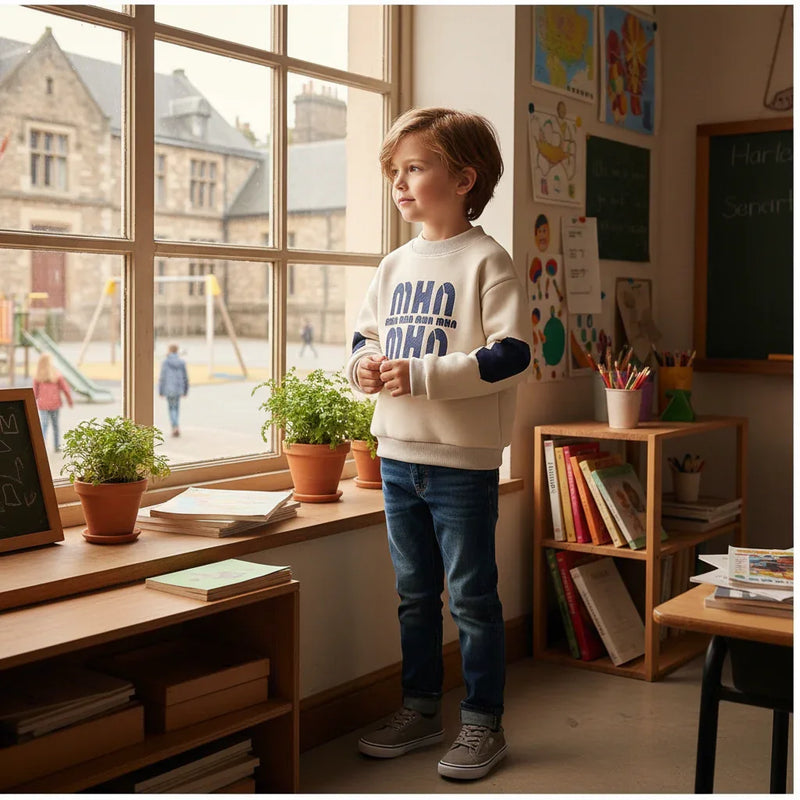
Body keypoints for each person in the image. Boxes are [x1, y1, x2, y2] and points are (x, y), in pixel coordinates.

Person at [345, 108, 532, 781]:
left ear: (464, 178)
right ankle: (421, 710)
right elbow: (365, 337)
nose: (400, 183)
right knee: (414, 595)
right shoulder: (394, 264)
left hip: (461, 465)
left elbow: (511, 355)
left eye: (415, 168)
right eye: (395, 171)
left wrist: (423, 374)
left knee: (473, 599)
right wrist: (363, 366)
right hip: (396, 456)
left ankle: (483, 724)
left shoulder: (487, 259)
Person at [32, 352, 73, 452]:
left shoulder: (38, 376)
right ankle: (57, 446)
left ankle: (41, 446)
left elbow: (34, 392)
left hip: (43, 404)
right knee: (55, 425)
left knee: (44, 425)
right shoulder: (57, 375)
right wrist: (69, 400)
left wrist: (32, 403)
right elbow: (65, 389)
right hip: (55, 404)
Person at [158, 344, 189, 437]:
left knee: (171, 408)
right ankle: (175, 425)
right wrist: (185, 390)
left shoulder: (166, 362)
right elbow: (185, 377)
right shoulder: (181, 362)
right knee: (176, 408)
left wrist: (161, 391)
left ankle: (174, 426)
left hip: (169, 388)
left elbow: (162, 377)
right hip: (178, 388)